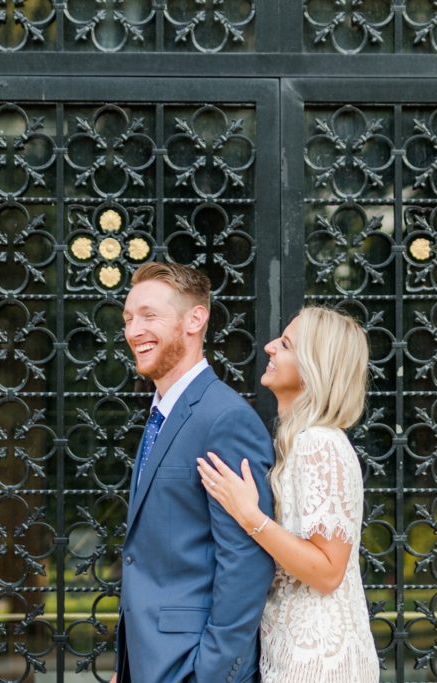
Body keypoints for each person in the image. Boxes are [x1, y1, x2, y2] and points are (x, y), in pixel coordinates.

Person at [111, 262, 276, 683]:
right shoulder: (161, 414)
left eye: (149, 316)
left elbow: (246, 560)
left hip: (191, 666)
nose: (133, 331)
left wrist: (212, 672)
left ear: (195, 319)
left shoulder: (224, 419)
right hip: (148, 661)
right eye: (128, 319)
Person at [197, 306, 380, 683]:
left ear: (314, 366)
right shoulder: (301, 442)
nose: (268, 347)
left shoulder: (319, 444)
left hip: (319, 663)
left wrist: (250, 516)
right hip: (296, 655)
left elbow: (328, 572)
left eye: (285, 344)